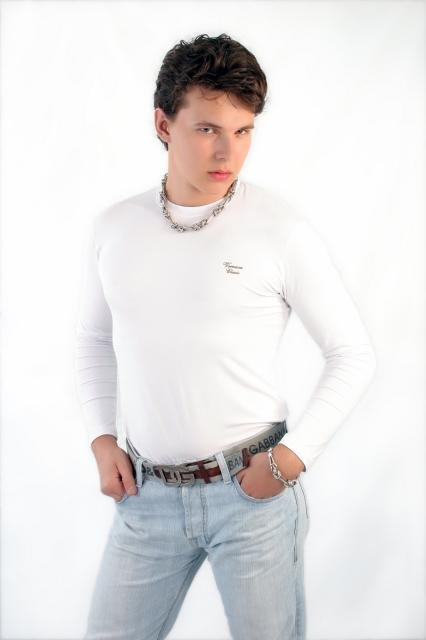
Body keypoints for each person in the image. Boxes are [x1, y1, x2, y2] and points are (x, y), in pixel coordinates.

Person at [75, 33, 376, 640]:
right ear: (164, 124)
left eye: (243, 131)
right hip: (146, 498)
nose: (228, 152)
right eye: (208, 129)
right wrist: (102, 437)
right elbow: (93, 340)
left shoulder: (280, 229)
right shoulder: (115, 228)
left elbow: (352, 354)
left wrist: (290, 459)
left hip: (252, 496)